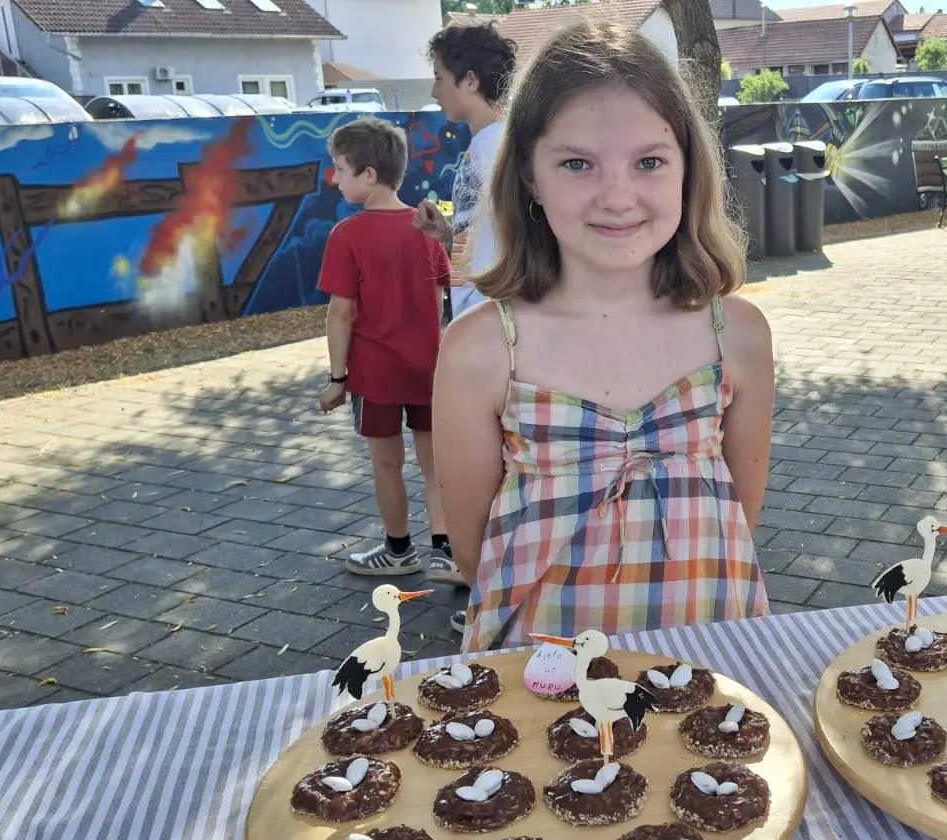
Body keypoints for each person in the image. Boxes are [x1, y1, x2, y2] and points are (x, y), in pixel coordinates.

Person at [432, 22, 775, 647]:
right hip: (538, 687)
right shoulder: (481, 349)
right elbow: (471, 549)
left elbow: (738, 519)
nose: (619, 197)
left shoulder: (739, 335)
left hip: (711, 672)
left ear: (687, 167)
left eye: (648, 161)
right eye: (577, 164)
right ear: (529, 175)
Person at [318, 118, 463, 585]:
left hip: (374, 374)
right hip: (430, 368)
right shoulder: (426, 227)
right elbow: (454, 290)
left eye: (340, 168)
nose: (334, 178)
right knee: (433, 460)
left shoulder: (348, 235)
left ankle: (399, 550)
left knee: (386, 462)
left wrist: (337, 378)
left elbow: (340, 314)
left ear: (369, 175)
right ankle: (446, 549)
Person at [414, 23, 517, 320]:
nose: (434, 91)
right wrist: (447, 234)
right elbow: (492, 234)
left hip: (492, 317)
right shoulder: (489, 144)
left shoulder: (494, 146)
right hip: (480, 313)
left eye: (439, 78)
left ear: (470, 80)